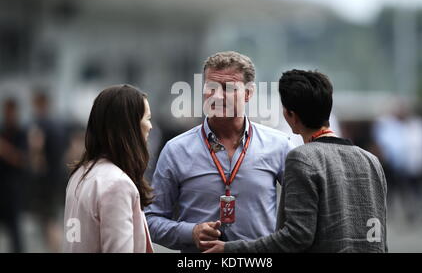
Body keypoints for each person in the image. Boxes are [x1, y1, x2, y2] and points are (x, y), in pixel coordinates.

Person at [202, 69, 388, 253]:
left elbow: (296, 236)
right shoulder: (371, 161)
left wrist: (231, 249)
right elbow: (379, 236)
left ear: (289, 115)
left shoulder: (303, 158)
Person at [146, 51, 295, 252]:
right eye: (211, 87)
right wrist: (191, 232)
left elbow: (302, 216)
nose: (217, 96)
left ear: (249, 93)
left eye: (228, 88)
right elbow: (151, 221)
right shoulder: (176, 150)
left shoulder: (278, 146)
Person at [63, 85, 154, 253]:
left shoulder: (79, 174)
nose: (150, 126)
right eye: (147, 118)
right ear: (130, 126)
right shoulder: (117, 184)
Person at [28, 91, 67, 252]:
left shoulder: (40, 124)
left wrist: (35, 166)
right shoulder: (57, 124)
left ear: (39, 104)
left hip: (45, 180)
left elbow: (36, 147)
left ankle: (54, 249)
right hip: (58, 176)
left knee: (48, 220)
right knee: (54, 218)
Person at [0, 98, 28, 253]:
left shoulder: (21, 133)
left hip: (13, 189)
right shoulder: (2, 130)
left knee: (15, 233)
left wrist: (5, 150)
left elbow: (22, 160)